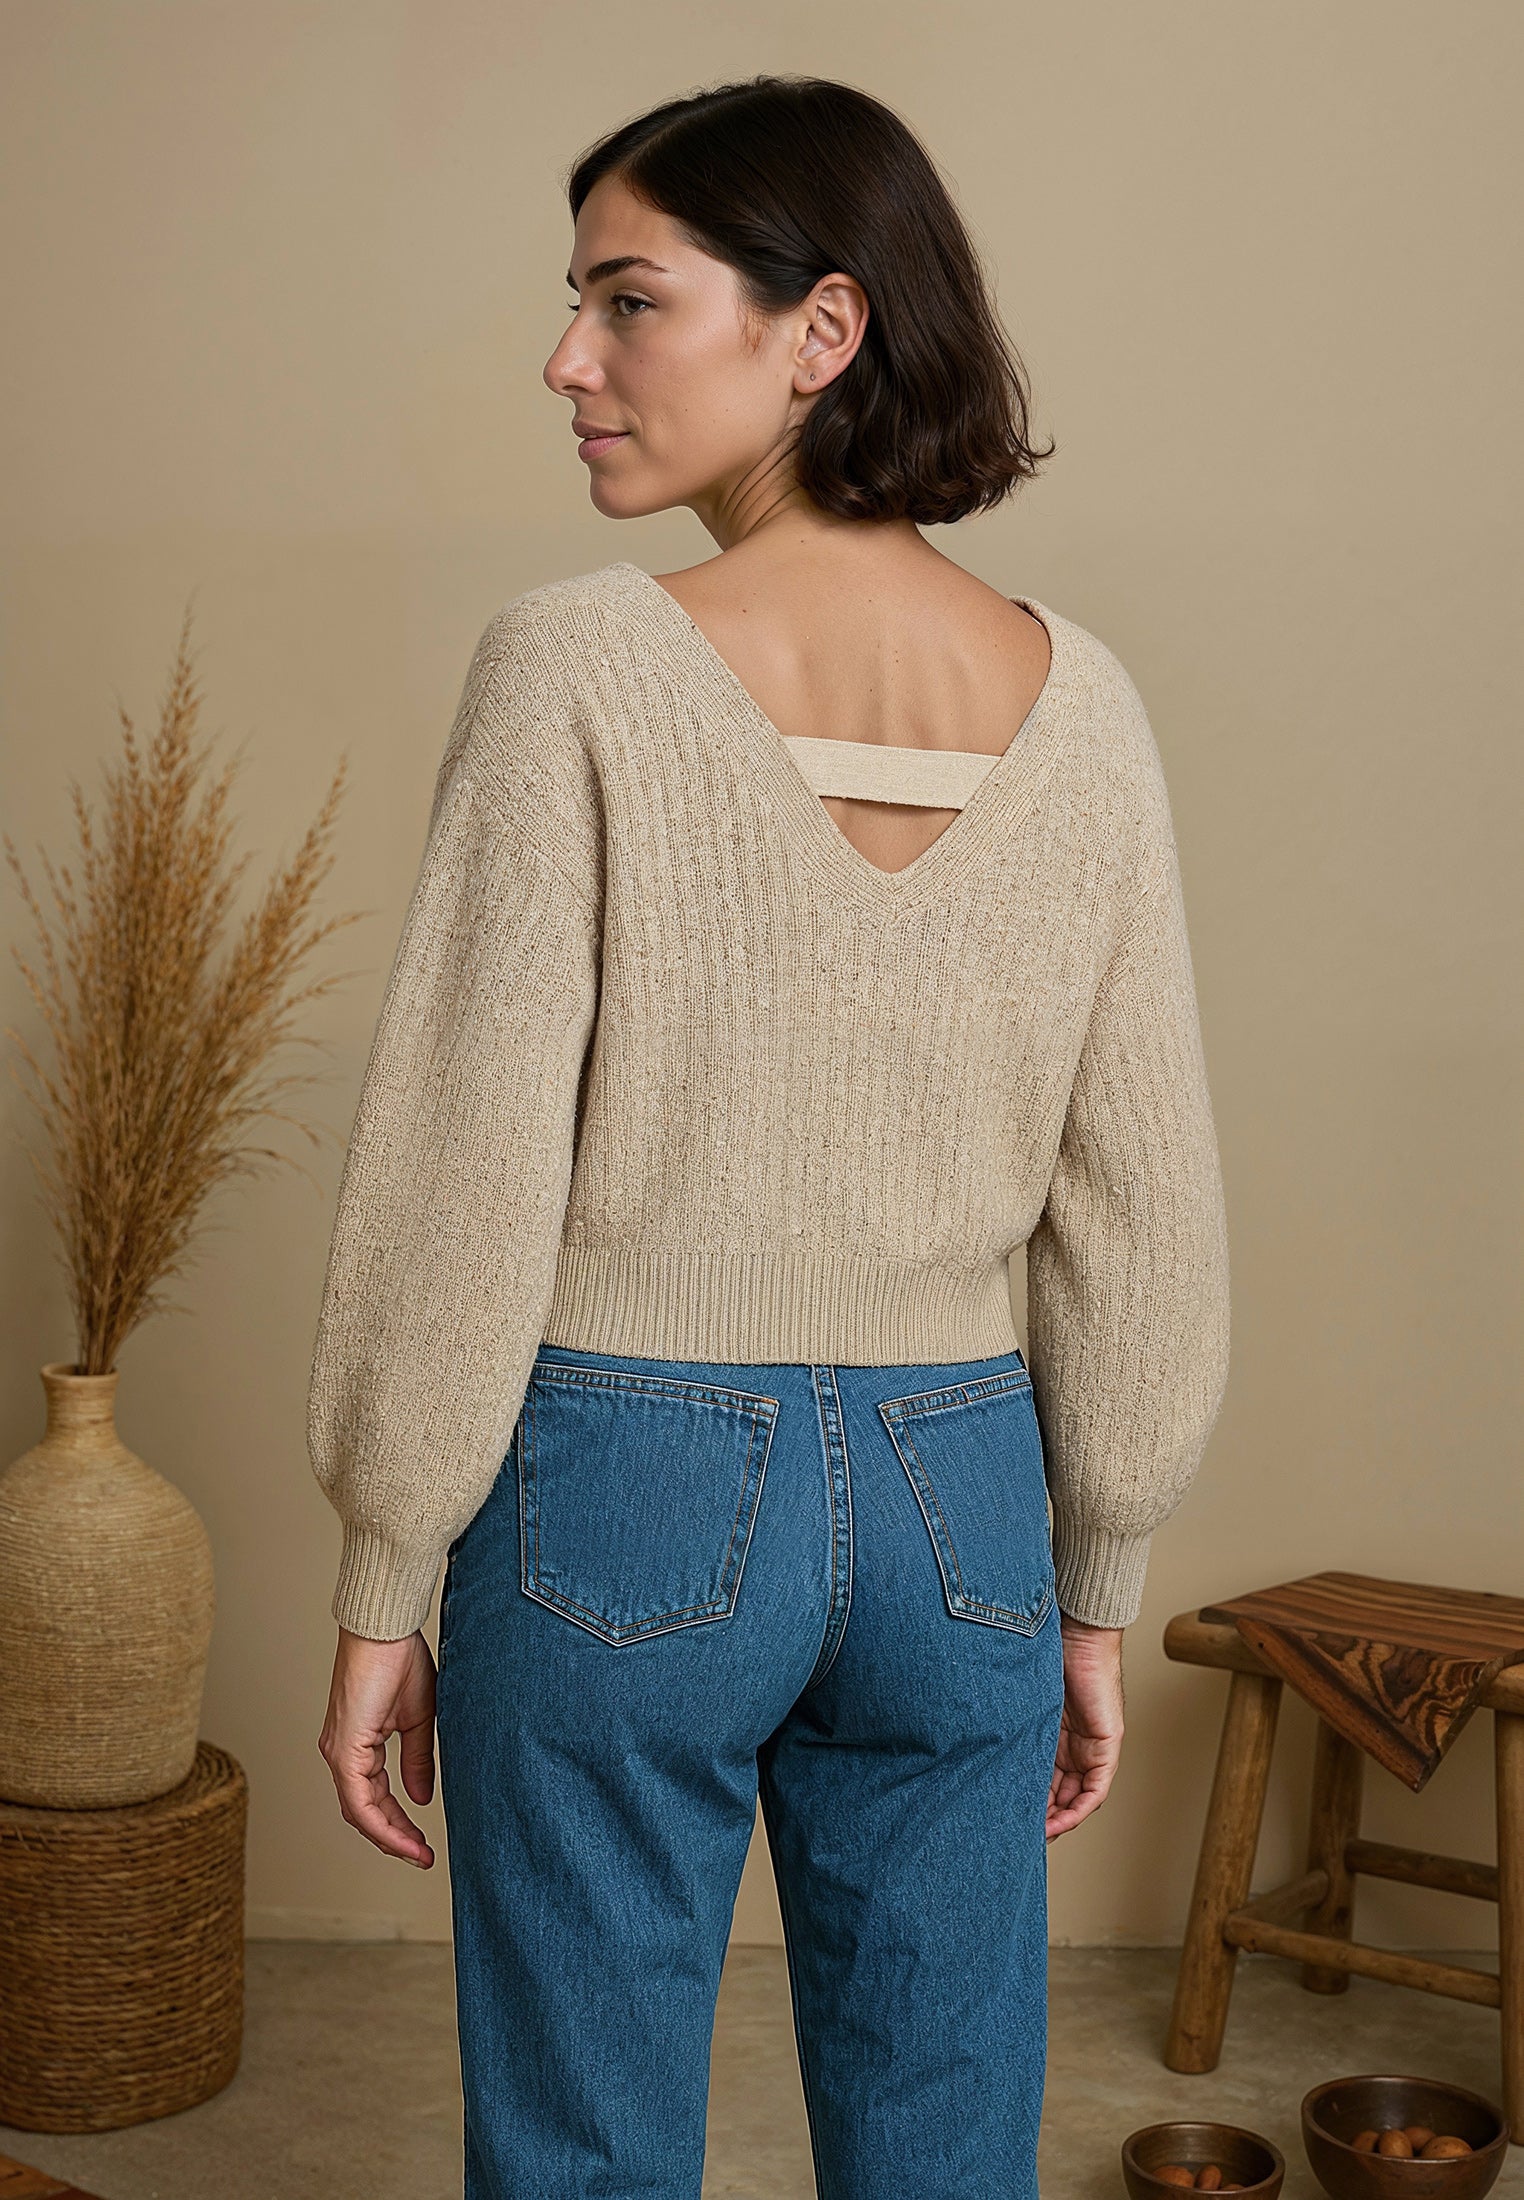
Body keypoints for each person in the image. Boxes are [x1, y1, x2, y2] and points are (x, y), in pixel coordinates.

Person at [308, 73, 1230, 2200]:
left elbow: (465, 1162)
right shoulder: (1084, 704)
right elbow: (1142, 1195)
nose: (569, 358)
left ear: (822, 328)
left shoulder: (573, 663)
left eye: (628, 301)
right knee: (944, 2139)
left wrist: (384, 1565)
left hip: (621, 1480)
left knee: (586, 2145)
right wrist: (1096, 1572)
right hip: (963, 1495)